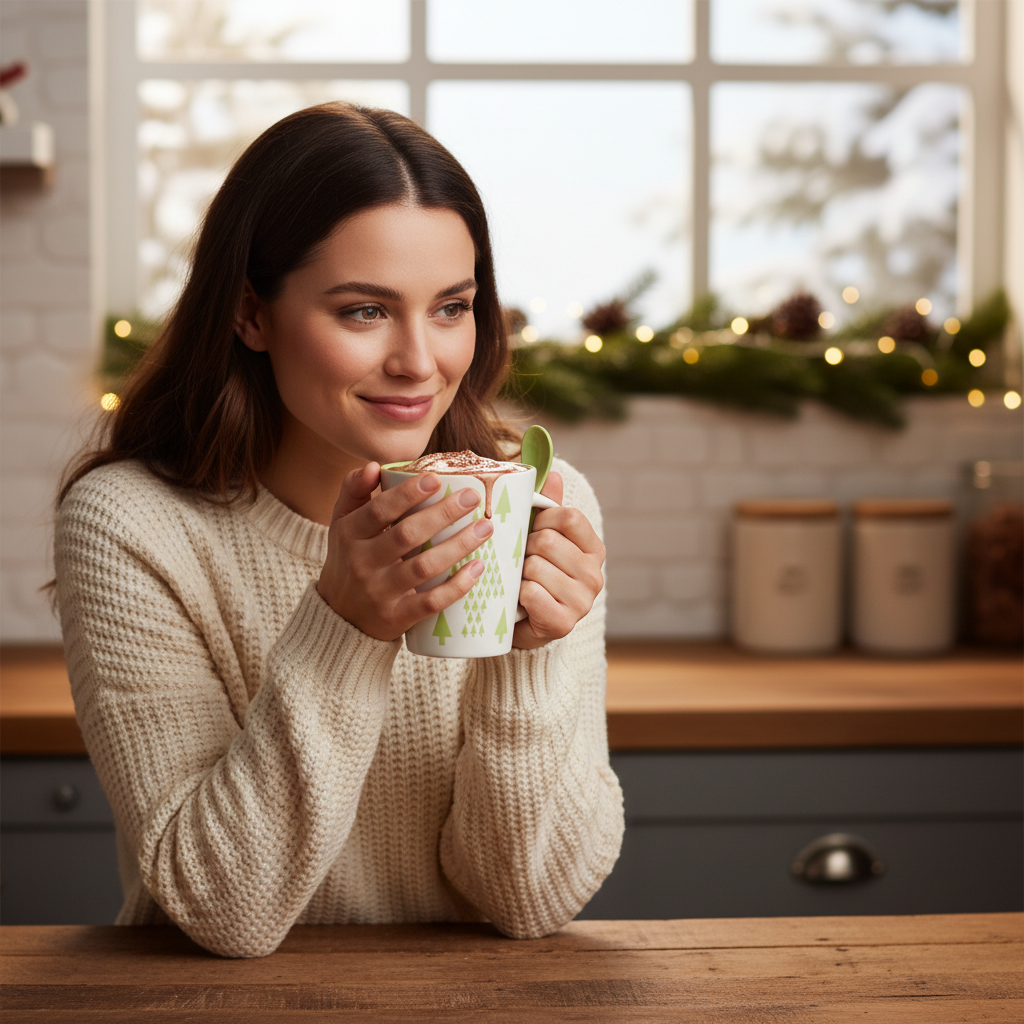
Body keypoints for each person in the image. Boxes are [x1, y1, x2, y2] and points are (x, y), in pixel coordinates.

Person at [54, 102, 623, 959]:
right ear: (251, 314)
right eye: (364, 311)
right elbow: (221, 907)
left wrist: (526, 658)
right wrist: (345, 627)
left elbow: (529, 901)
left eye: (451, 307)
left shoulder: (544, 500)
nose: (419, 362)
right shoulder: (134, 526)